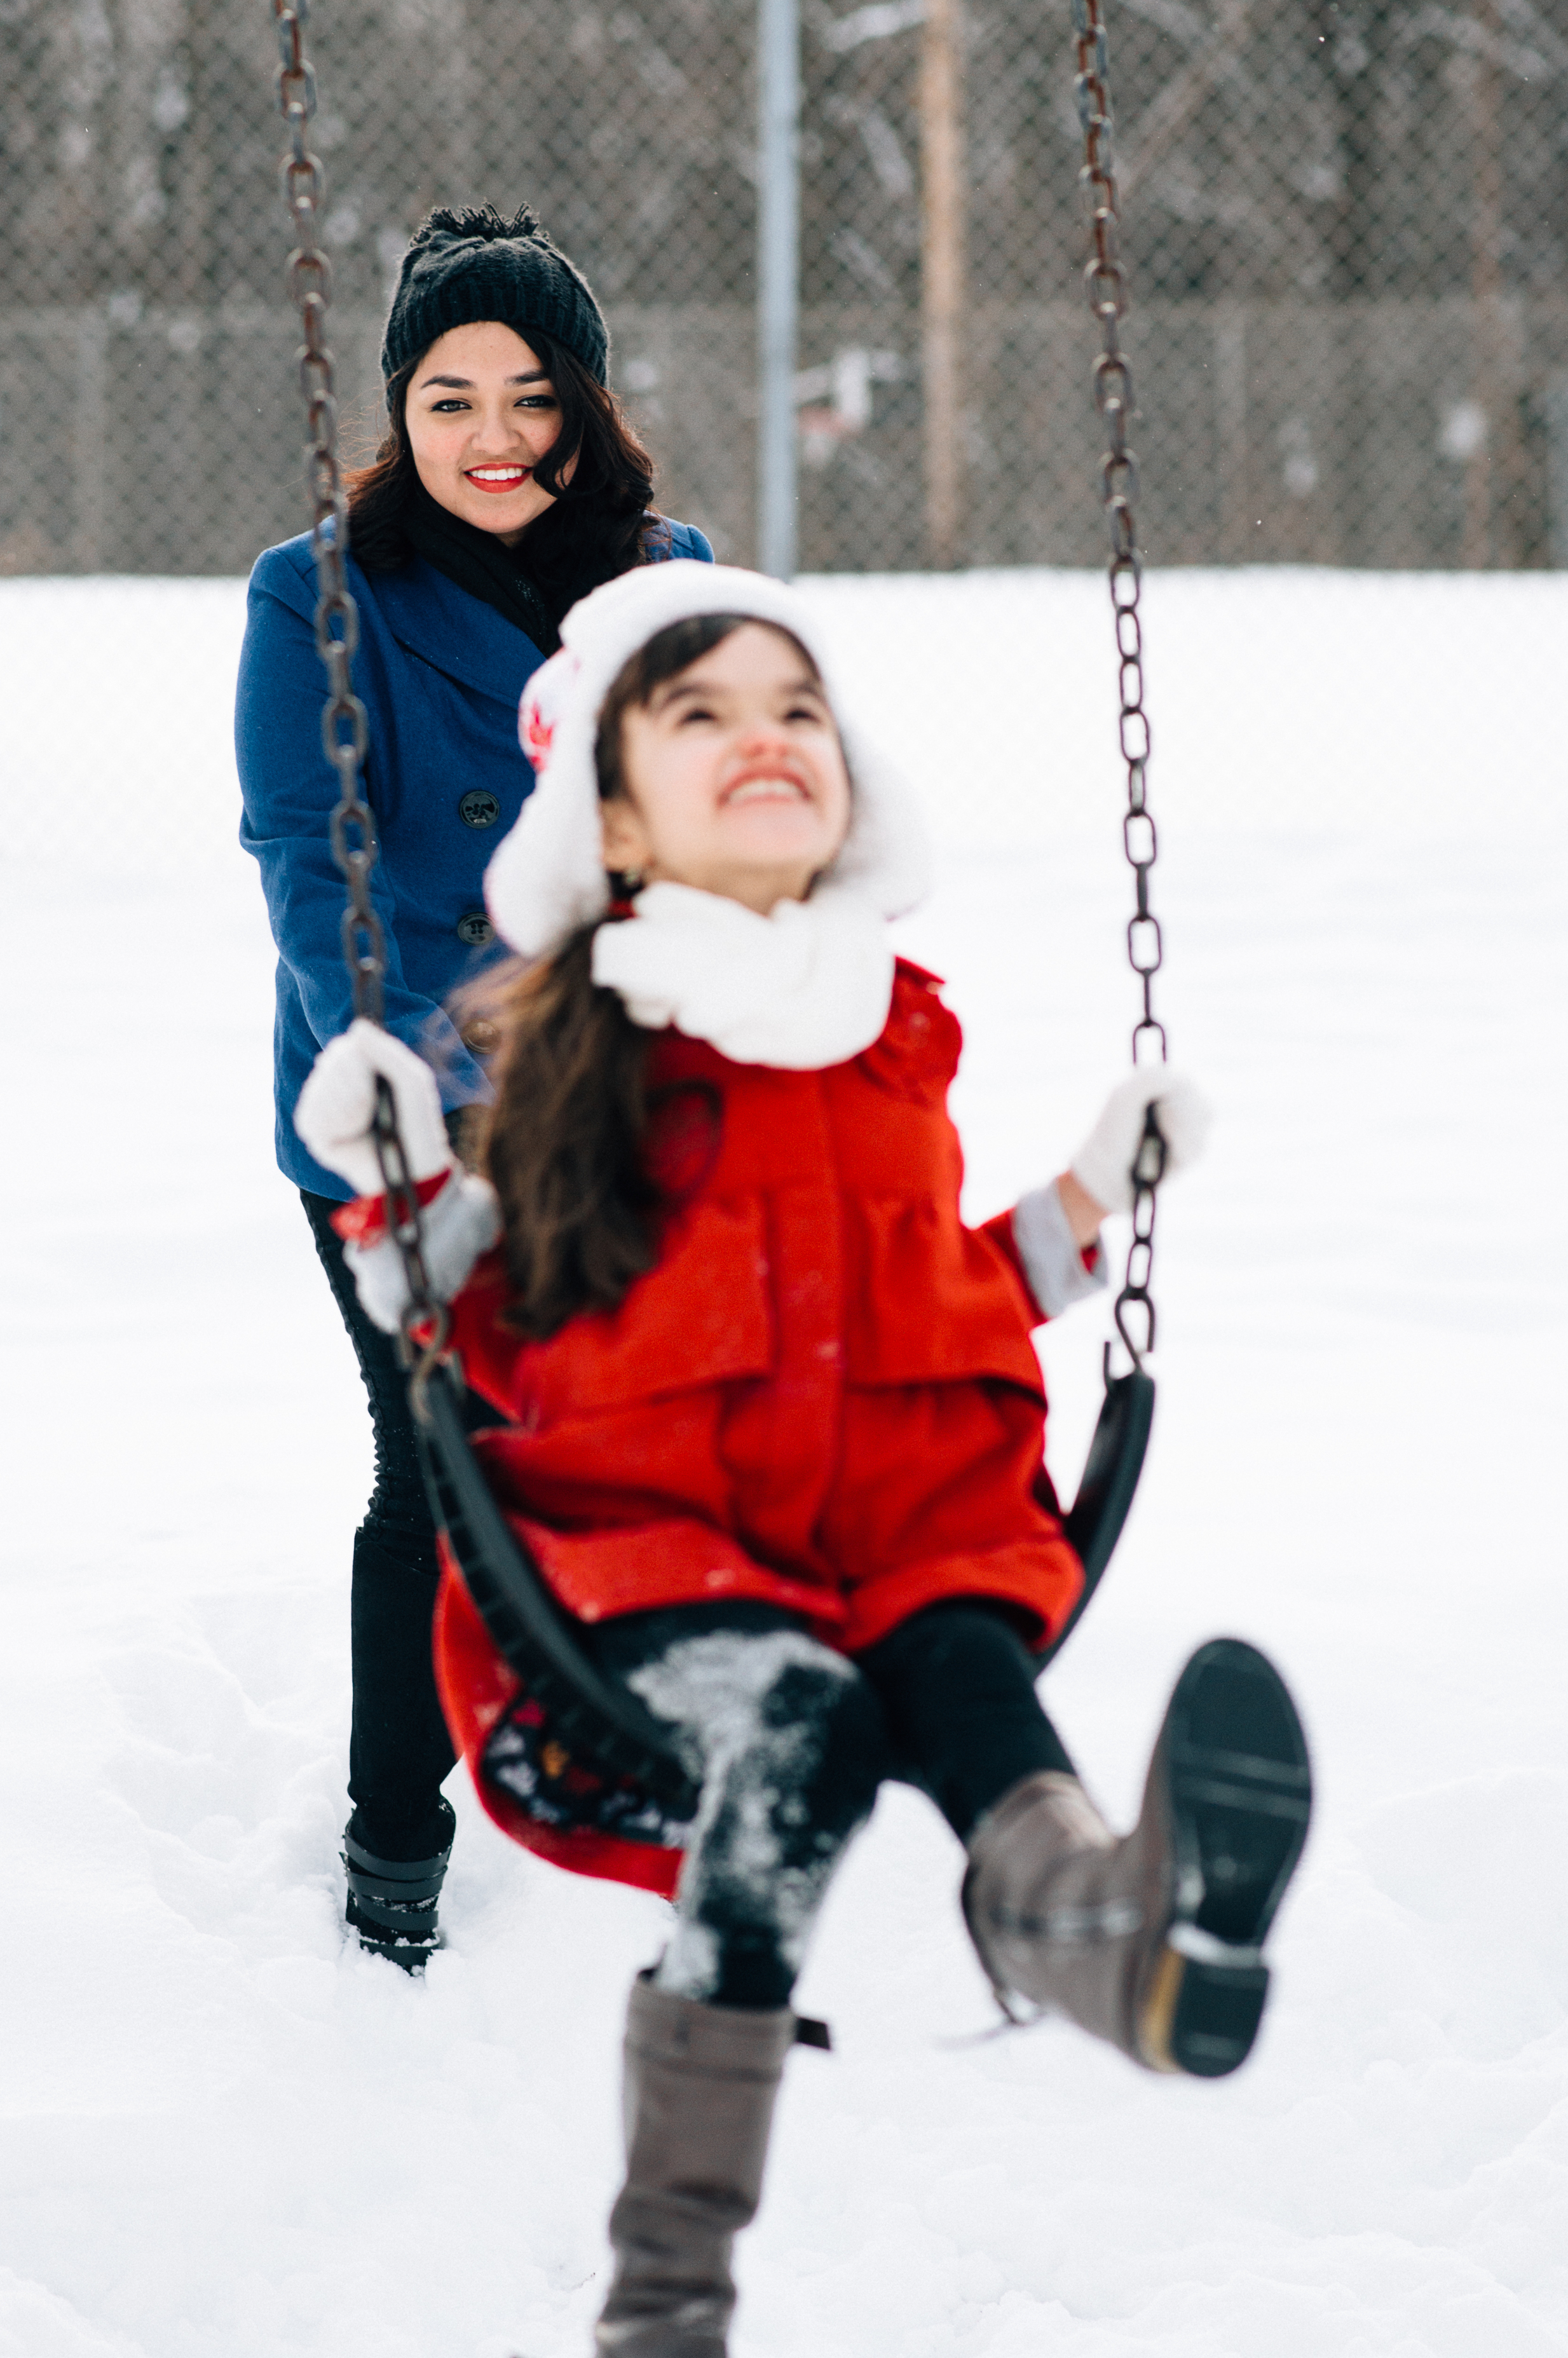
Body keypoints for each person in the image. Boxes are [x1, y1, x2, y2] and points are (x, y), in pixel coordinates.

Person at [295, 560, 1313, 2355]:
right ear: (610, 815)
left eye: (795, 710)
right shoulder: (586, 1046)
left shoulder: (886, 1040)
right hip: (654, 1564)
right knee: (804, 1720)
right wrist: (391, 1186)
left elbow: (953, 1290)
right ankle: (666, 2287)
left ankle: (1117, 1933)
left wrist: (1091, 1193)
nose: (763, 738)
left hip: (890, 1536)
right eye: (699, 713)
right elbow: (464, 1304)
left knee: (964, 1671)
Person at [235, 204, 712, 1968]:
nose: (494, 434)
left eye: (531, 394)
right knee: (437, 1462)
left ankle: (624, 1757)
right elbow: (306, 853)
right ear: (395, 410)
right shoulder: (319, 595)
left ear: (585, 407)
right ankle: (393, 1835)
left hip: (624, 1095)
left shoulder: (673, 577)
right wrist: (421, 1073)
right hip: (401, 1101)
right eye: (449, 397)